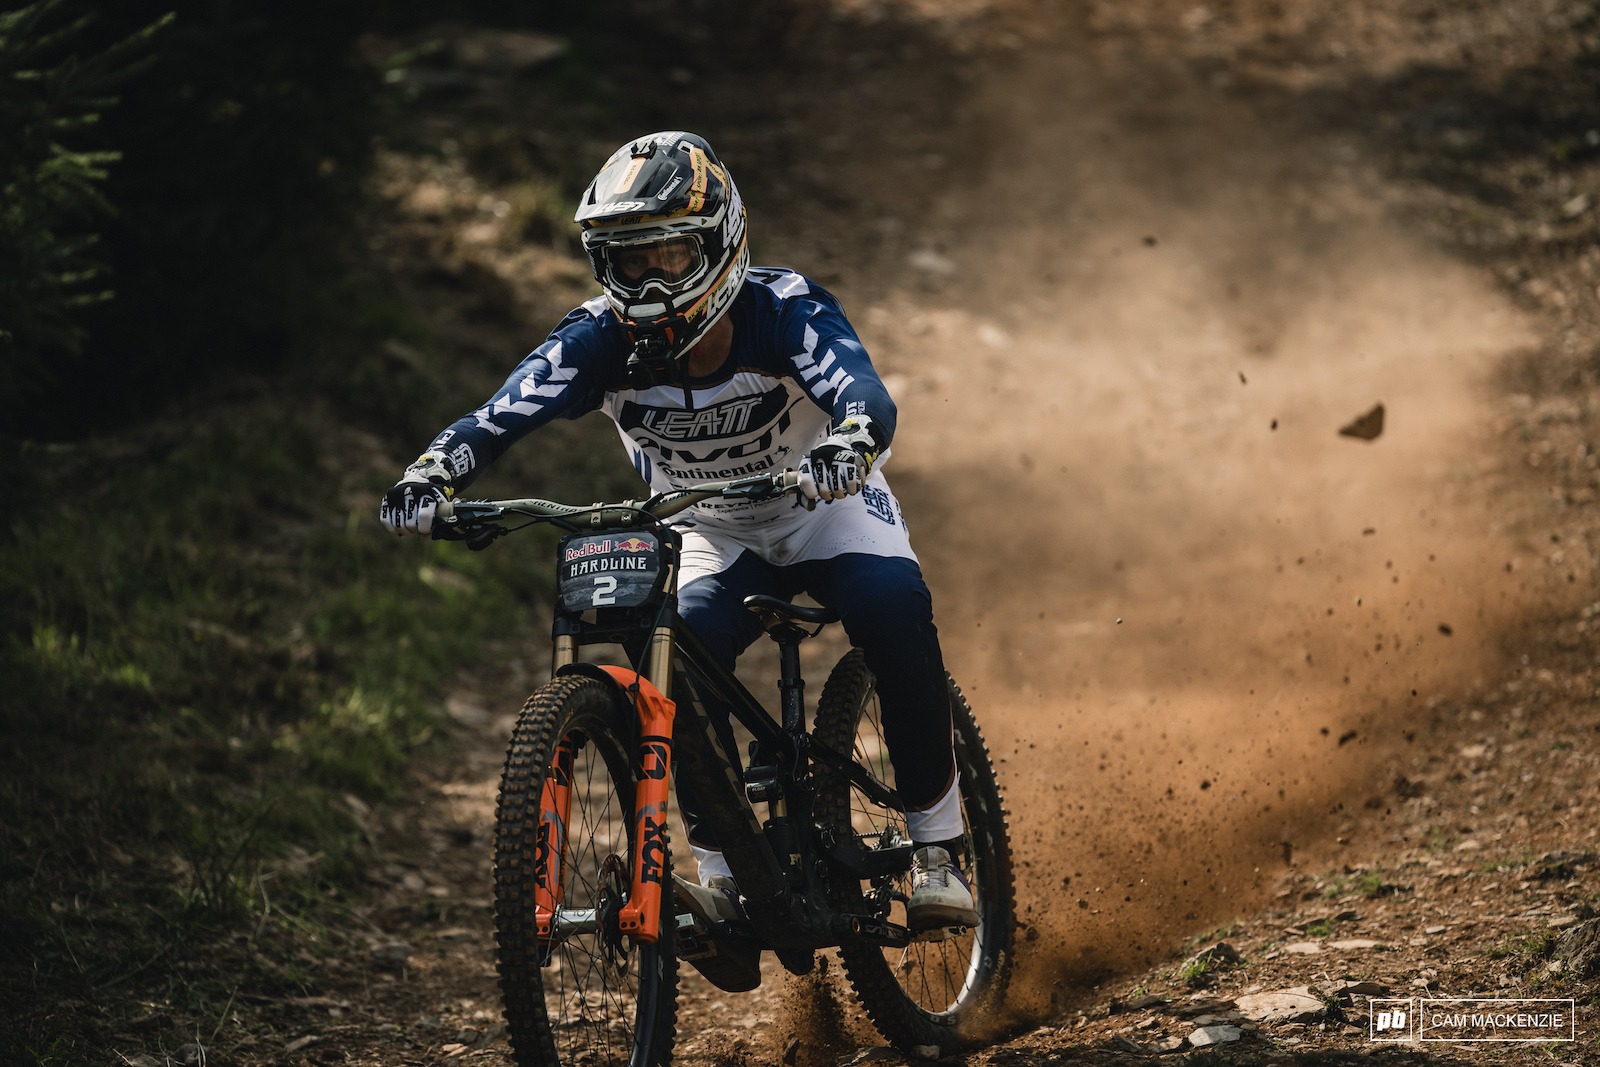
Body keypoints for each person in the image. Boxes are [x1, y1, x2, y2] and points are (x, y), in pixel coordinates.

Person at [379, 131, 975, 991]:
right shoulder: (596, 340)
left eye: (669, 255)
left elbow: (864, 393)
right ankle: (725, 880)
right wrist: (433, 471)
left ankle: (937, 843)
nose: (651, 284)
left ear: (721, 244)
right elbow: (499, 414)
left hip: (824, 504)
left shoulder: (784, 309)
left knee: (891, 606)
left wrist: (850, 441)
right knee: (673, 665)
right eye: (629, 262)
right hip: (709, 528)